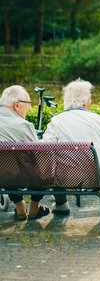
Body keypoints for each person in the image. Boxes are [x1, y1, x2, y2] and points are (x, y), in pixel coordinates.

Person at [42, 79, 100, 215]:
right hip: (96, 177)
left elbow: (45, 149)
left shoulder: (56, 121)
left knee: (54, 166)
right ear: (85, 100)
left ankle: (61, 204)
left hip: (65, 178)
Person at [0, 85, 50, 220]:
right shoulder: (23, 126)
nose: (30, 108)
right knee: (44, 163)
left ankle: (19, 205)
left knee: (6, 167)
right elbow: (39, 156)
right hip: (21, 177)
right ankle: (34, 206)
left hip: (3, 177)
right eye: (28, 104)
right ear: (17, 105)